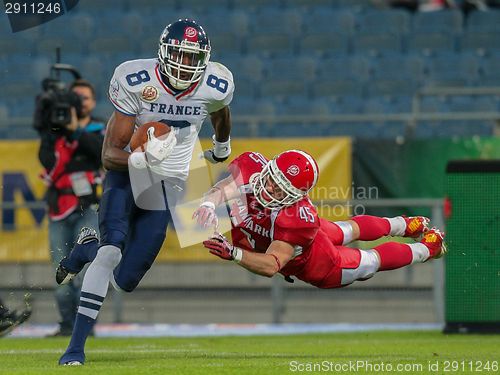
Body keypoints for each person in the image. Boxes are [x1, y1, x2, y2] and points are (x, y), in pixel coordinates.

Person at [56, 18, 233, 365]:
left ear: (205, 58)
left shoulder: (216, 83)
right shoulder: (137, 80)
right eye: (179, 55)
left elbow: (220, 112)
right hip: (128, 174)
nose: (184, 65)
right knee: (111, 252)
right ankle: (75, 349)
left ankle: (84, 250)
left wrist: (222, 144)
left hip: (171, 183)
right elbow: (109, 155)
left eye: (193, 57)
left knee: (125, 280)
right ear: (164, 53)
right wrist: (145, 158)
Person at [194, 150, 447, 289]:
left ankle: (427, 248)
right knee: (347, 228)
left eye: (281, 190)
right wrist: (208, 203)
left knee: (370, 261)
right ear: (267, 169)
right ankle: (405, 224)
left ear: (295, 197)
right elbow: (224, 188)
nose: (270, 189)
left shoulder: (295, 218)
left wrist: (233, 253)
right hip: (303, 234)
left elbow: (272, 265)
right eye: (271, 179)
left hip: (318, 262)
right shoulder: (251, 167)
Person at [37, 79, 105, 337]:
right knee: (61, 266)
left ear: (93, 101)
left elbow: (101, 153)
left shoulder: (100, 127)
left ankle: (85, 322)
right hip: (58, 206)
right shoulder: (55, 128)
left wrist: (76, 130)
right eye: (76, 97)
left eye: (85, 98)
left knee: (88, 265)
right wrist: (51, 127)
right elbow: (44, 159)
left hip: (88, 206)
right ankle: (67, 324)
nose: (80, 102)